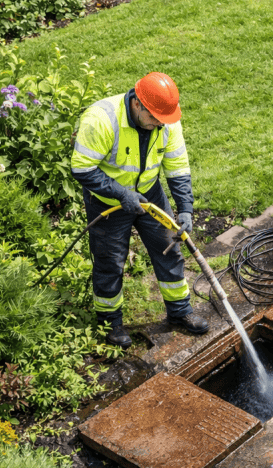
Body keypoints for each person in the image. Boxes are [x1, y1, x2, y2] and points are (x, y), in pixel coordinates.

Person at [71, 72, 208, 347]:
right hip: (108, 202)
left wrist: (185, 209)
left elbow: (178, 168)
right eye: (154, 118)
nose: (160, 124)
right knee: (109, 263)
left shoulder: (167, 121)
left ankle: (180, 312)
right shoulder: (102, 119)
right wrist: (121, 194)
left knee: (169, 248)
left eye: (164, 119)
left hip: (150, 194)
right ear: (137, 104)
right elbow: (82, 168)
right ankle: (110, 324)